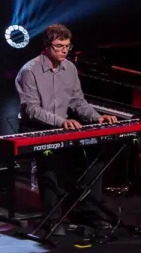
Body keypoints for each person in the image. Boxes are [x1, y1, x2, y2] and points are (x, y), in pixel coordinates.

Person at [16, 24, 119, 235]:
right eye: (59, 46)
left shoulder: (70, 68)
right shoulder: (30, 71)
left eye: (67, 46)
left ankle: (90, 212)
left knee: (95, 159)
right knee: (49, 163)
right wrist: (61, 122)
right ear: (46, 46)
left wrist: (98, 117)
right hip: (36, 126)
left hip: (62, 125)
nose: (64, 50)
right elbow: (32, 109)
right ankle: (52, 219)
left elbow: (77, 101)